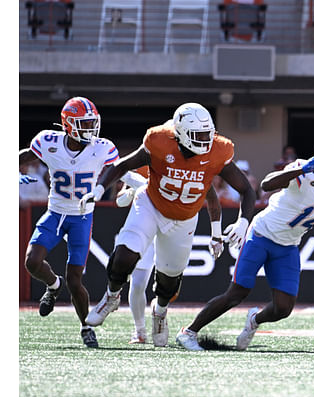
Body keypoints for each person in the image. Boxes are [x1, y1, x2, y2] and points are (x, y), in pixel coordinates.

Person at [79, 102, 256, 348]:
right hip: (151, 204)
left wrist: (242, 221)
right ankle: (110, 297)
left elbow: (247, 190)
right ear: (180, 133)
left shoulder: (218, 150)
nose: (206, 141)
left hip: (184, 219)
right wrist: (98, 190)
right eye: (199, 135)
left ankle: (160, 312)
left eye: (208, 134)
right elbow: (122, 166)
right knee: (124, 254)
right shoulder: (159, 141)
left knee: (169, 281)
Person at [175, 138, 314, 351]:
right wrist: (299, 171)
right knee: (237, 292)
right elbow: (266, 185)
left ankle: (254, 319)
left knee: (283, 308)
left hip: (288, 245)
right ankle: (188, 332)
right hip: (262, 235)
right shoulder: (305, 171)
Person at [18, 96, 117, 348]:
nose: (91, 129)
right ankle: (53, 286)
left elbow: (120, 168)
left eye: (92, 123)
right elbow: (26, 155)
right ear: (69, 124)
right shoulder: (49, 142)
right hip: (55, 212)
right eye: (84, 123)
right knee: (31, 261)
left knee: (75, 279)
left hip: (81, 217)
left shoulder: (100, 147)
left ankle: (86, 327)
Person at [114, 166, 224, 344]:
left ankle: (159, 310)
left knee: (170, 281)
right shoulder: (143, 165)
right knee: (138, 283)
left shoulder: (181, 167)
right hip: (147, 229)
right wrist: (135, 190)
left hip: (173, 228)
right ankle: (139, 330)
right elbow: (120, 200)